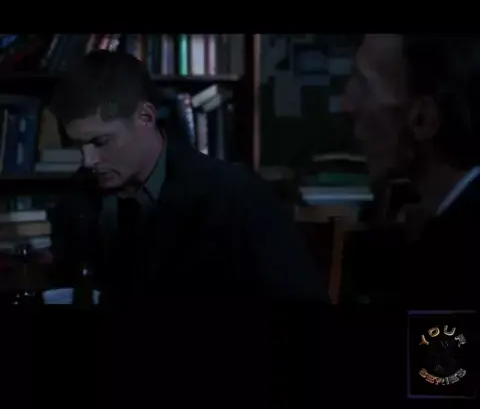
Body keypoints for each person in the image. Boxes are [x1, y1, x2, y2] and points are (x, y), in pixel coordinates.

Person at [47, 50, 326, 305]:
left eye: (100, 141)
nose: (88, 160)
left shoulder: (234, 196)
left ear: (145, 117)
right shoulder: (77, 198)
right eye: (78, 145)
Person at [343, 34, 480, 309]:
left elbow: (440, 340)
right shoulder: (447, 228)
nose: (347, 104)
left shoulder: (462, 253)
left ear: (423, 118)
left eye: (364, 85)